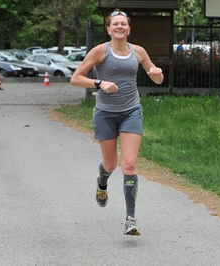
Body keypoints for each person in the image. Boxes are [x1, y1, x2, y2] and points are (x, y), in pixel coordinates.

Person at [70, 8, 164, 235]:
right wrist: (99, 83)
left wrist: (156, 73)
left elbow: (158, 79)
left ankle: (130, 218)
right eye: (115, 24)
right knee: (111, 164)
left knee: (129, 164)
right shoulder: (100, 51)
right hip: (105, 114)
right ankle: (102, 182)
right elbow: (75, 78)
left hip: (131, 111)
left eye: (123, 24)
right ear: (109, 29)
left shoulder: (138, 51)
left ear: (129, 29)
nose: (119, 27)